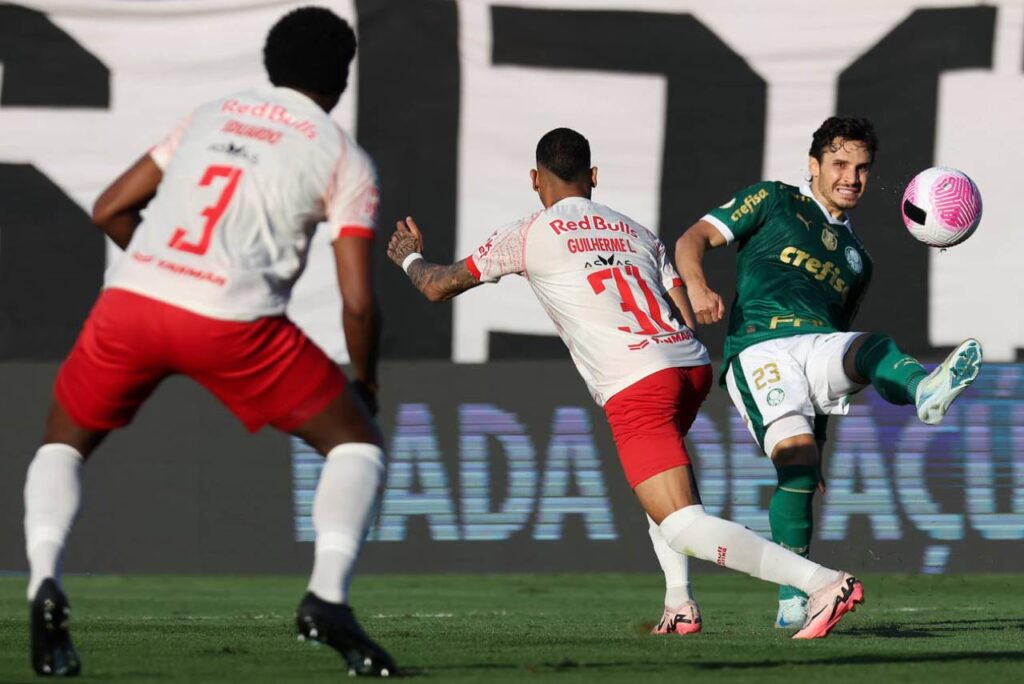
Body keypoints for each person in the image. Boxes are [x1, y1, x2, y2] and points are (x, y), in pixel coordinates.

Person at [23, 7, 395, 678]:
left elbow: (110, 207)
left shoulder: (212, 113)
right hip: (234, 322)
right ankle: (327, 599)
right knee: (356, 445)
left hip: (131, 304)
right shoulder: (343, 154)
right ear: (341, 78)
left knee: (61, 444)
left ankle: (42, 583)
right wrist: (364, 381)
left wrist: (164, 272)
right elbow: (359, 302)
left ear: (270, 64)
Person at [387, 127, 865, 640]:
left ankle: (822, 583)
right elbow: (682, 307)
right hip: (689, 367)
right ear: (593, 177)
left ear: (534, 180)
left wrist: (410, 257)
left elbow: (439, 286)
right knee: (662, 487)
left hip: (637, 382)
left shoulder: (530, 231)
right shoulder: (636, 230)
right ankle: (679, 603)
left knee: (682, 521)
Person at [674, 116, 982, 628]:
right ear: (814, 165)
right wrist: (698, 286)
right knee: (794, 464)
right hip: (759, 350)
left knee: (869, 350)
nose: (852, 178)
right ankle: (795, 591)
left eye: (862, 168)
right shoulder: (773, 200)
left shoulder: (859, 260)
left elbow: (836, 355)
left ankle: (924, 389)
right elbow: (693, 238)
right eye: (840, 164)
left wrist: (822, 432)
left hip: (816, 347)